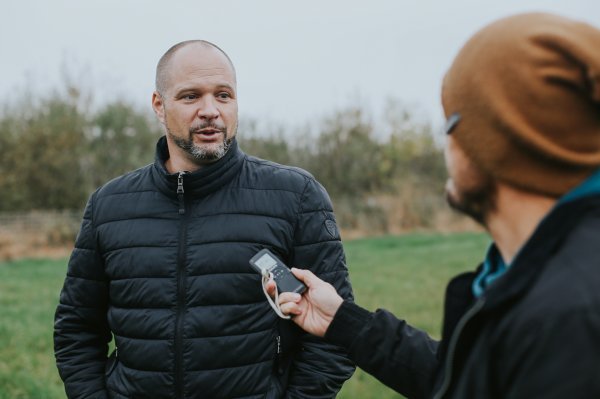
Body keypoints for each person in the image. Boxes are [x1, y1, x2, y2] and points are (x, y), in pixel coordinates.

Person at [274, 12, 600, 398]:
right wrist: (344, 321)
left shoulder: (569, 316)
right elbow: (467, 381)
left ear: (497, 138)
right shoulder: (541, 274)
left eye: (451, 124)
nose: (446, 145)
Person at [53, 40, 355, 399]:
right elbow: (76, 330)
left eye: (223, 95)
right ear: (159, 106)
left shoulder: (297, 196)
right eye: (191, 96)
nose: (210, 110)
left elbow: (336, 334)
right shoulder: (109, 205)